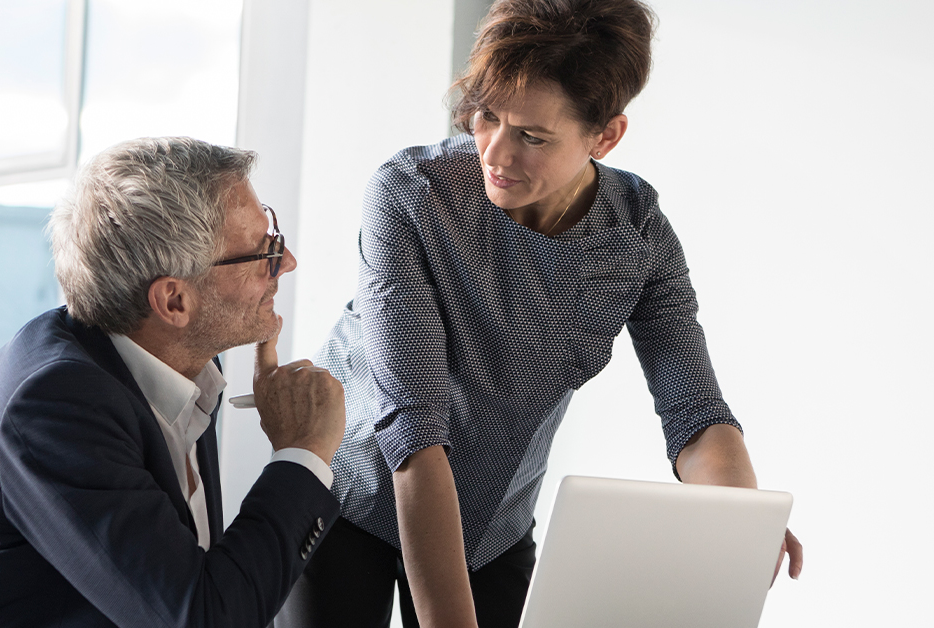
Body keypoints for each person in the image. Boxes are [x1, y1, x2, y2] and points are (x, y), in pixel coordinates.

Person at [275, 1, 803, 627]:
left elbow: (694, 410)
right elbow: (414, 432)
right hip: (354, 491)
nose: (495, 152)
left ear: (604, 136)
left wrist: (740, 524)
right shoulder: (410, 194)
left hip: (493, 519)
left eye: (532, 136)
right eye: (487, 116)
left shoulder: (637, 235)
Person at [0, 137, 346, 628]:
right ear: (174, 301)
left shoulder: (191, 365)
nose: (286, 264)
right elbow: (202, 618)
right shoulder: (54, 406)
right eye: (263, 252)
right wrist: (303, 453)